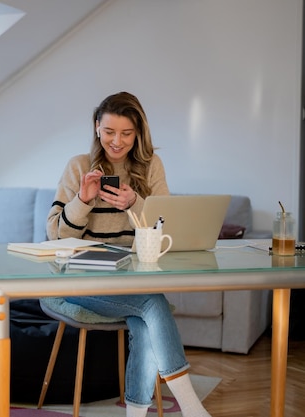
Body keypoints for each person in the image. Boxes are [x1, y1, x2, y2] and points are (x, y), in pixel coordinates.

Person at [46, 92, 211, 417]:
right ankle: (192, 407)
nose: (117, 142)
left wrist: (136, 203)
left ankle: (136, 413)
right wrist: (83, 199)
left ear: (138, 133)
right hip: (78, 278)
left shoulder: (150, 167)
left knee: (144, 317)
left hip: (130, 275)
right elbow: (55, 236)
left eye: (126, 133)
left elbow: (168, 230)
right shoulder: (79, 166)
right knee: (152, 304)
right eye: (109, 132)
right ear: (96, 127)